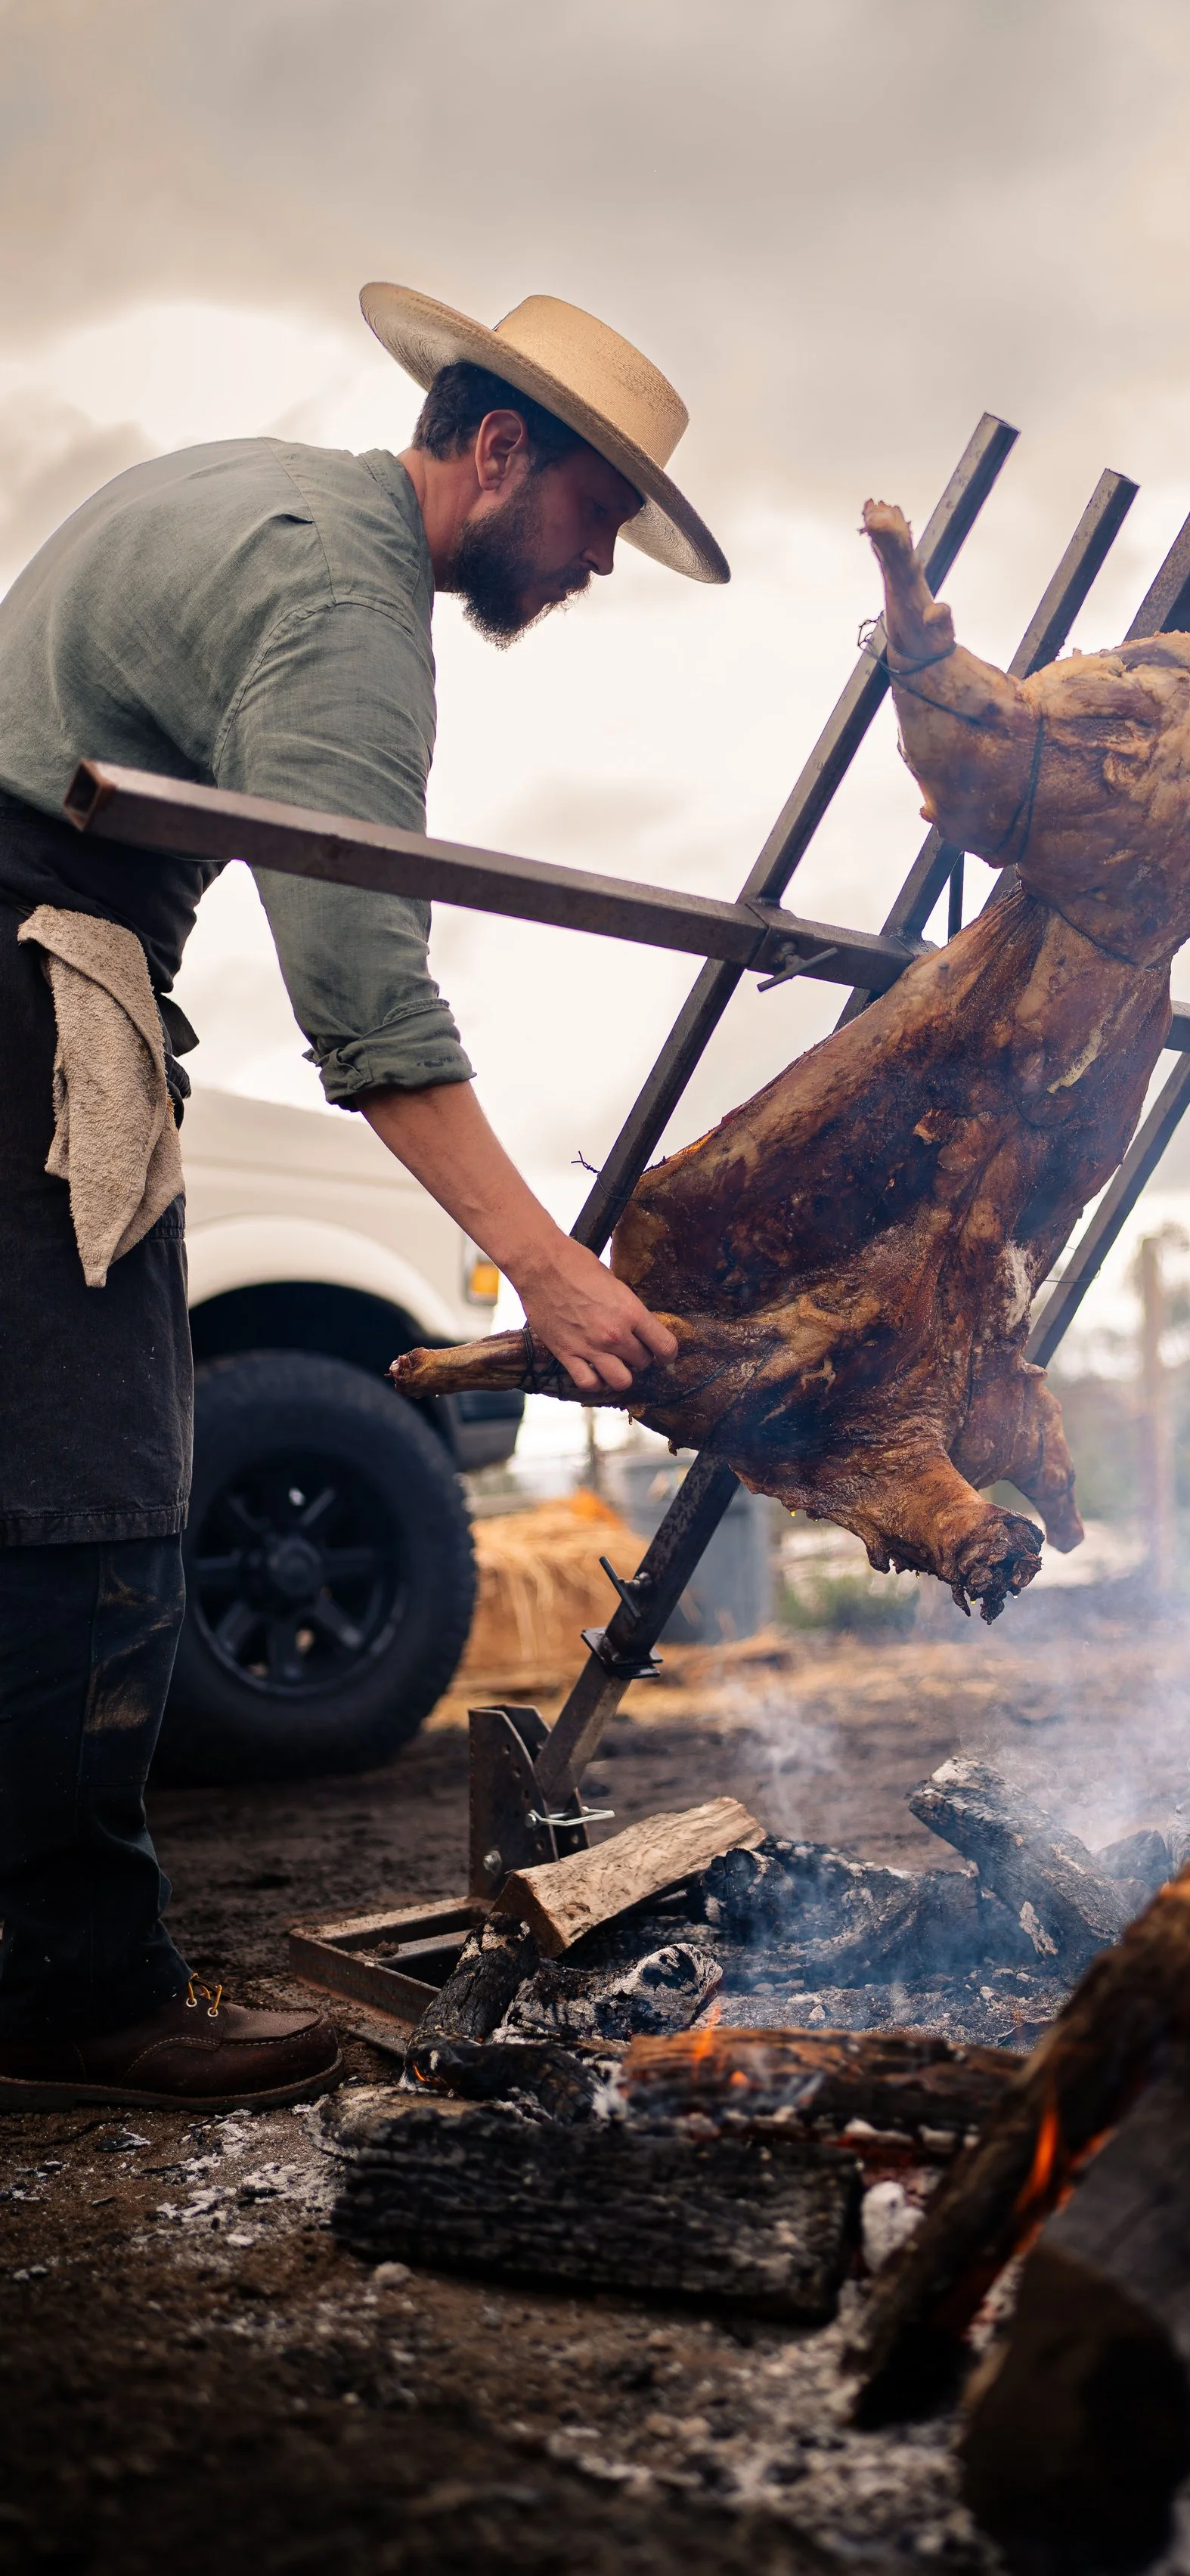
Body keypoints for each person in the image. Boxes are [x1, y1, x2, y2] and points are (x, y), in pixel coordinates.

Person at [0, 284, 724, 2110]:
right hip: (20, 973)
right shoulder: (344, 602)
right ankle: (79, 1996)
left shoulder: (258, 489)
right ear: (495, 451)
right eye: (593, 512)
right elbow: (366, 1005)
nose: (601, 561)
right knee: (90, 1491)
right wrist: (545, 1267)